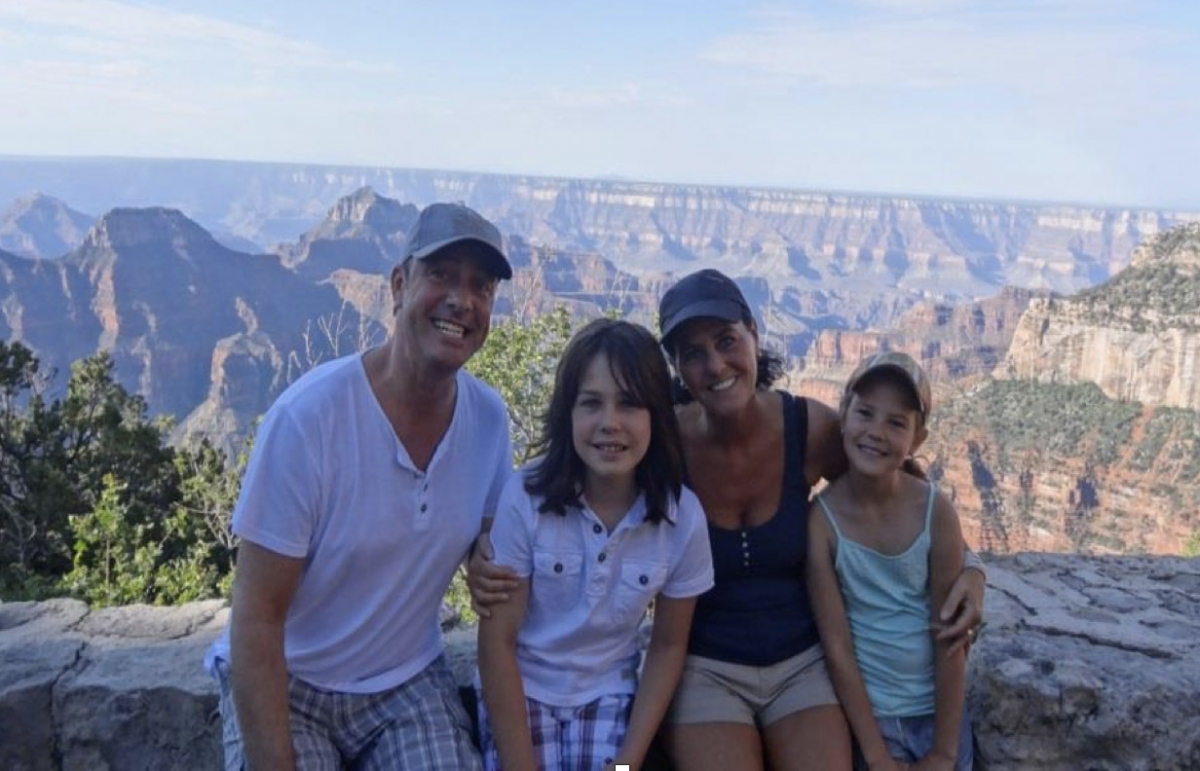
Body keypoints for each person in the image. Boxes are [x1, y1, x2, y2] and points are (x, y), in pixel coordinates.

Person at [471, 268, 985, 770]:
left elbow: (893, 487)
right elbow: (570, 487)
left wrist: (971, 564)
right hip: (705, 669)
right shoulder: (658, 442)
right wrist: (481, 547)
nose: (715, 365)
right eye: (693, 354)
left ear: (754, 335)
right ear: (675, 368)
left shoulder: (808, 429)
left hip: (802, 663)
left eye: (725, 340)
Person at [204, 202, 516, 770]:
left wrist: (483, 561)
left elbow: (489, 541)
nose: (461, 300)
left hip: (406, 682)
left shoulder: (490, 422)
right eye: (441, 274)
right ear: (399, 285)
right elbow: (255, 616)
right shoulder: (308, 419)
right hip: (291, 678)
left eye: (481, 286)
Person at [477, 318, 714, 771]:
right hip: (522, 686)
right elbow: (497, 644)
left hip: (608, 691)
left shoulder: (682, 518)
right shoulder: (527, 497)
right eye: (591, 404)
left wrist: (628, 763)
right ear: (567, 413)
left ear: (656, 416)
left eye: (629, 404)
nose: (610, 424)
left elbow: (666, 647)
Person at [808, 352, 972, 771]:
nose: (876, 432)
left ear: (917, 439)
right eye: (865, 413)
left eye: (896, 422)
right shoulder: (822, 523)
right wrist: (877, 755)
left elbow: (950, 635)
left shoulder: (935, 512)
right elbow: (838, 647)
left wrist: (945, 752)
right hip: (870, 720)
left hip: (939, 717)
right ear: (843, 414)